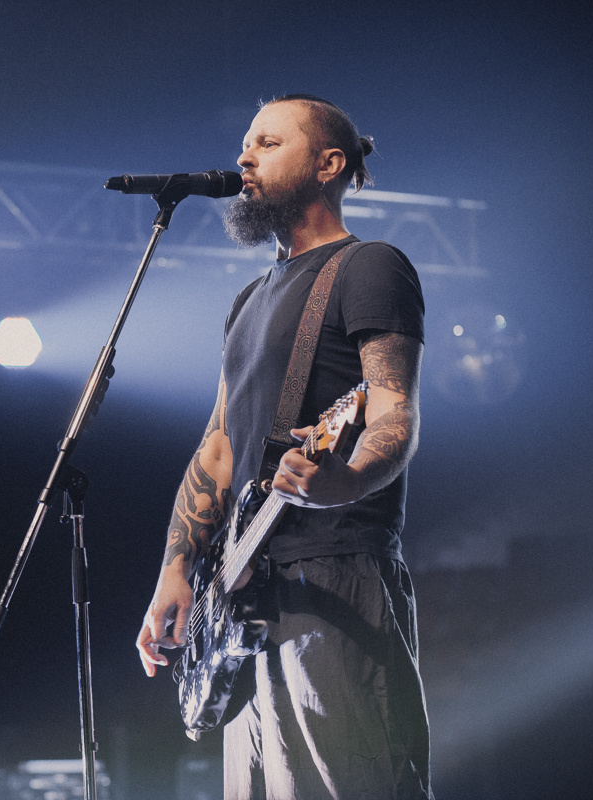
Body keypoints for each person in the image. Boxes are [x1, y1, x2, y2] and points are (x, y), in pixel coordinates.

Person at [135, 95, 432, 799]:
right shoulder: (248, 299)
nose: (245, 157)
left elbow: (392, 409)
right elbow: (218, 446)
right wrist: (174, 571)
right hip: (246, 594)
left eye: (268, 142)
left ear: (329, 164)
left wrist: (345, 479)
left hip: (334, 575)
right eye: (246, 144)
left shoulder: (370, 267)